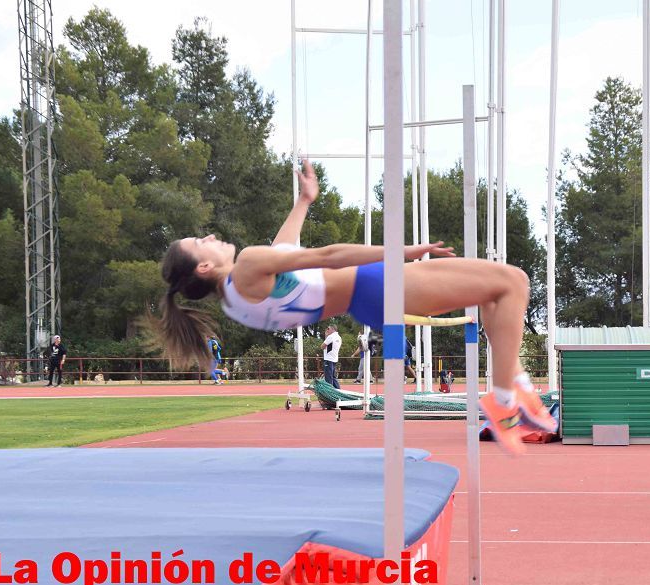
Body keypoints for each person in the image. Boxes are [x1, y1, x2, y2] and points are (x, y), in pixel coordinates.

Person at [156, 161, 553, 456]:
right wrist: (403, 251)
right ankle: (504, 402)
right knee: (513, 281)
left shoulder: (235, 298)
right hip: (373, 283)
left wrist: (304, 202)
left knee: (493, 294)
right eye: (199, 240)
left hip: (365, 300)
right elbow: (330, 255)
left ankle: (519, 388)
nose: (209, 235)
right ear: (204, 266)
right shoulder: (246, 266)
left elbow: (282, 251)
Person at [321, 324, 342, 390]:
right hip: (334, 359)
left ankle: (329, 391)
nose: (327, 330)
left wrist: (327, 336)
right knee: (333, 376)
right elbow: (329, 345)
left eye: (328, 329)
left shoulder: (331, 337)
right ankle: (338, 390)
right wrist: (327, 336)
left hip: (328, 359)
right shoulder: (339, 337)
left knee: (328, 377)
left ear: (333, 329)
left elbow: (322, 346)